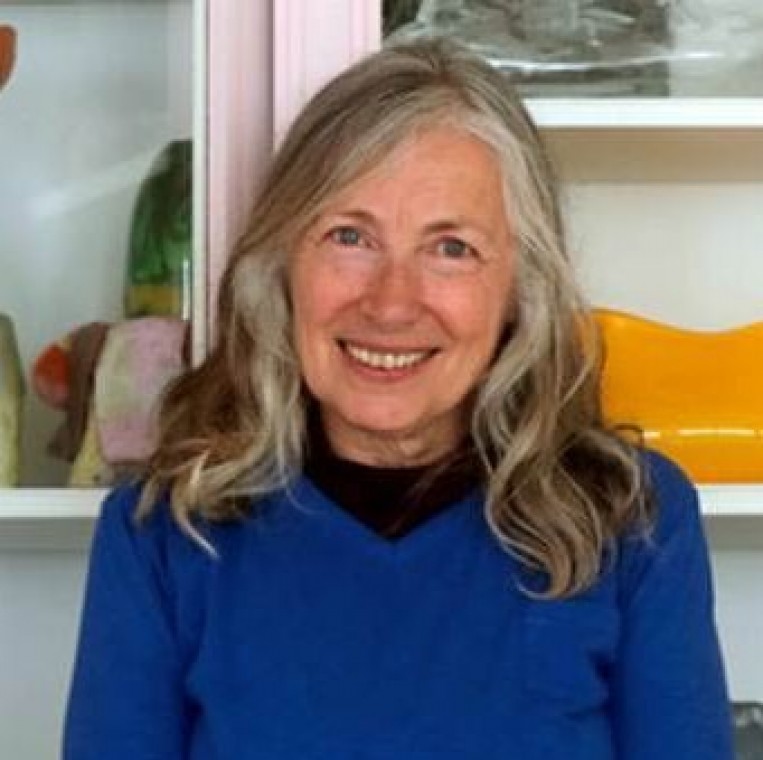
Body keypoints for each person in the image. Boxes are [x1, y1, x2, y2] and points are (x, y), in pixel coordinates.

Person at [63, 39, 734, 759]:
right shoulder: (163, 534)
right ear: (282, 265)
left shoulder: (630, 520)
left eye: (450, 248)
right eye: (350, 237)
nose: (391, 303)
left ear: (519, 287)